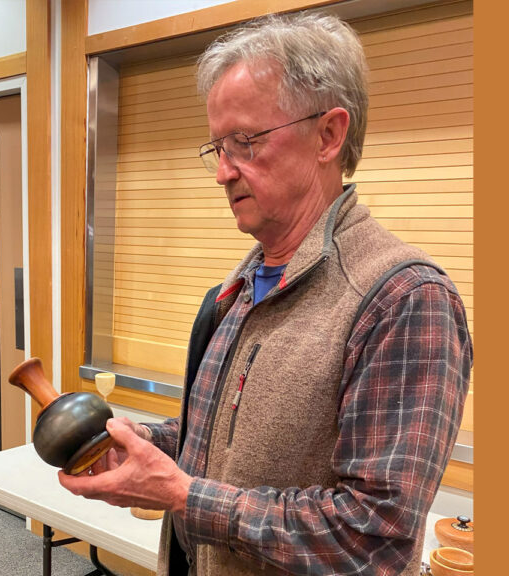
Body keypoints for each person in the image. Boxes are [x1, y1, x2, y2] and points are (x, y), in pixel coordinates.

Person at [59, 11, 472, 576]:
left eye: (245, 142)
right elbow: (225, 443)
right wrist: (148, 444)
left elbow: (375, 535)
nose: (222, 172)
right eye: (216, 147)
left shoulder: (404, 300)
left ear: (329, 134)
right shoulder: (243, 286)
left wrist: (184, 496)